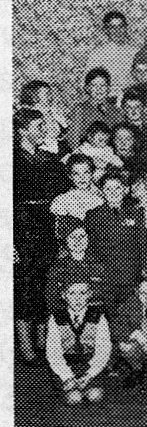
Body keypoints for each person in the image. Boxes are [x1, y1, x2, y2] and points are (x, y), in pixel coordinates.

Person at [14, 108, 67, 361]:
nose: (44, 131)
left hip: (48, 229)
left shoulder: (50, 159)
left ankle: (44, 340)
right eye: (38, 127)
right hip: (21, 229)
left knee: (47, 282)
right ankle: (25, 345)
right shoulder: (10, 159)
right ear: (22, 130)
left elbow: (64, 194)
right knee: (25, 285)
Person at [84, 171, 147, 312]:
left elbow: (143, 245)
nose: (113, 192)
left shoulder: (136, 213)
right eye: (108, 188)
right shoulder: (93, 215)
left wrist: (145, 270)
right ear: (102, 191)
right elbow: (89, 248)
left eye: (117, 188)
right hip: (106, 276)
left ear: (125, 190)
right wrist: (95, 272)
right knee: (109, 315)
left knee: (130, 314)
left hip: (131, 275)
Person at [46, 273, 112, 405]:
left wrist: (89, 374)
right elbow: (53, 354)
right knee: (74, 398)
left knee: (95, 395)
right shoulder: (56, 318)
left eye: (82, 293)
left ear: (89, 294)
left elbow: (103, 351)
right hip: (66, 365)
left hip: (90, 365)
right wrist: (67, 376)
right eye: (72, 293)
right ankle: (73, 388)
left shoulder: (98, 317)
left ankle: (85, 387)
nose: (77, 298)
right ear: (64, 295)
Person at [45, 217, 107, 317]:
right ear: (66, 240)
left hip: (94, 317)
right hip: (65, 318)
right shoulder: (57, 267)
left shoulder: (98, 265)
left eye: (82, 236)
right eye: (72, 237)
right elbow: (51, 297)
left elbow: (105, 295)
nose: (77, 241)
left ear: (88, 239)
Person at [85, 11, 139, 100]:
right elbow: (87, 83)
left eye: (121, 26)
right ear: (106, 30)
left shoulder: (135, 53)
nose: (117, 31)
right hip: (107, 102)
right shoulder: (97, 54)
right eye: (112, 27)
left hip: (132, 102)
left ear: (126, 28)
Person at [66, 67, 123, 150]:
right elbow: (73, 140)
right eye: (94, 85)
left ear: (108, 88)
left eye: (102, 85)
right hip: (86, 155)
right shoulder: (80, 109)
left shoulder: (117, 111)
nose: (99, 89)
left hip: (110, 155)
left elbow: (120, 138)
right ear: (87, 88)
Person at [18, 80, 69, 156]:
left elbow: (64, 131)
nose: (50, 97)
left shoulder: (53, 112)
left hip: (59, 150)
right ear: (33, 95)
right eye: (46, 93)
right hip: (41, 154)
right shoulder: (27, 115)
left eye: (50, 93)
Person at [50, 153, 104, 222]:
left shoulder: (99, 201)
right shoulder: (61, 201)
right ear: (70, 176)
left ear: (92, 174)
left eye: (86, 172)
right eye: (76, 174)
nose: (82, 177)